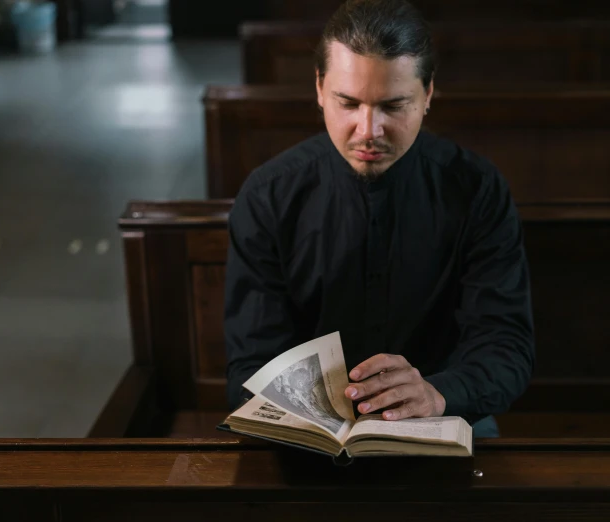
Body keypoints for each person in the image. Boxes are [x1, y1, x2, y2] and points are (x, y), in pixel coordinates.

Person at [224, 0, 535, 438]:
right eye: (348, 103)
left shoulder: (478, 189)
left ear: (427, 94)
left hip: (442, 412)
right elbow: (250, 361)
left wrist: (437, 393)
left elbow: (507, 348)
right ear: (318, 88)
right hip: (307, 431)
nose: (368, 130)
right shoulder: (268, 195)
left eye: (393, 106)